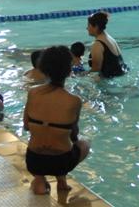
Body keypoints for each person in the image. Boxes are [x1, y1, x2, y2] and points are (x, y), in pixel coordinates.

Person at [23, 45, 90, 195]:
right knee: (84, 144)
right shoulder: (74, 101)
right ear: (68, 70)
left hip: (34, 159)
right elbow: (74, 134)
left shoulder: (32, 93)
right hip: (61, 162)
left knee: (42, 154)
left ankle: (40, 180)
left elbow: (26, 126)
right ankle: (61, 181)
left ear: (44, 68)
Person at [87, 11, 128, 78]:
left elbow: (95, 70)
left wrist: (80, 75)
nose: (87, 28)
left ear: (96, 27)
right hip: (121, 74)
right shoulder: (109, 38)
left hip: (110, 81)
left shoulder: (97, 44)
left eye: (89, 25)